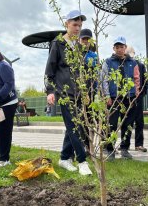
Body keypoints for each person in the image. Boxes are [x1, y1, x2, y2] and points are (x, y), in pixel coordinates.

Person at [45, 10, 92, 175]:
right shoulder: (57, 43)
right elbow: (49, 69)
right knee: (75, 127)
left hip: (78, 93)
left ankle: (64, 158)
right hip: (63, 93)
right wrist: (50, 91)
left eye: (80, 25)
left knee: (73, 126)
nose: (78, 28)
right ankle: (82, 161)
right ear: (67, 24)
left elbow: (82, 72)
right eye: (75, 24)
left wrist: (85, 91)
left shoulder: (79, 47)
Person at [101, 36, 140, 159]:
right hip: (114, 98)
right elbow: (104, 80)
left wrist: (136, 92)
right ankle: (110, 149)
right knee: (112, 124)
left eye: (121, 47)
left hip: (129, 97)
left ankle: (124, 149)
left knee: (127, 124)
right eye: (117, 47)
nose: (119, 49)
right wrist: (107, 95)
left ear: (125, 47)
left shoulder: (133, 62)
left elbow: (137, 78)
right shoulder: (108, 62)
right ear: (114, 48)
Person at [126, 46, 148, 152]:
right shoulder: (123, 64)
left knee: (139, 121)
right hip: (126, 97)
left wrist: (141, 94)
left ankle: (139, 144)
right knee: (127, 121)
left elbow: (144, 80)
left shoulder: (140, 65)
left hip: (138, 97)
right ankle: (125, 144)